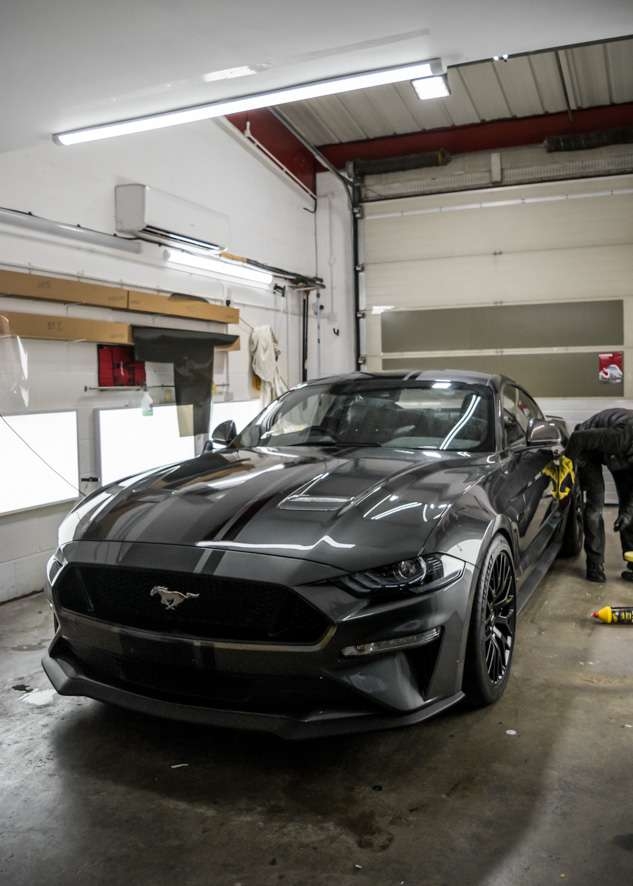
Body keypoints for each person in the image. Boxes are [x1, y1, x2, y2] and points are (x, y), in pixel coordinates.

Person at [565, 408, 633, 583]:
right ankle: (595, 566)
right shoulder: (621, 437)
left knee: (629, 510)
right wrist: (566, 469)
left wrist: (627, 514)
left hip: (618, 455)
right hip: (587, 449)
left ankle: (632, 564)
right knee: (596, 506)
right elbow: (577, 439)